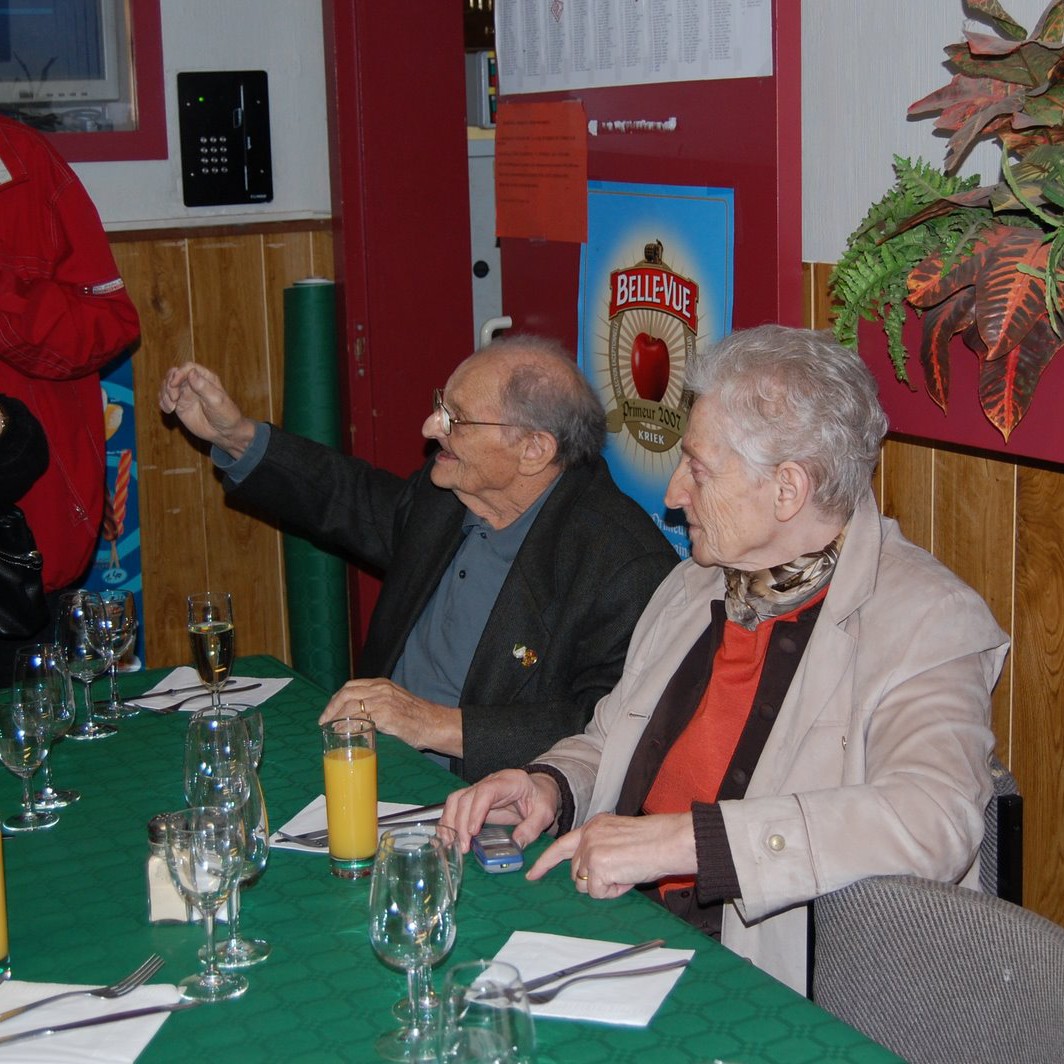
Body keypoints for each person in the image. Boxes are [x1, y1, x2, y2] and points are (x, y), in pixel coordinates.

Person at [443, 325, 1010, 994]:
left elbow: (933, 819)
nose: (674, 493)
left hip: (769, 986)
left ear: (787, 490)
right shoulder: (695, 586)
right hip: (619, 935)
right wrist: (550, 786)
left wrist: (688, 844)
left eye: (700, 468)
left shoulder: (927, 621)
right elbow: (608, 738)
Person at [158, 334, 678, 781]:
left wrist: (433, 723)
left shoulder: (619, 563)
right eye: (440, 406)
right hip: (366, 759)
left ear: (534, 450)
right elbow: (346, 496)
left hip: (482, 799)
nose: (432, 427)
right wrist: (234, 436)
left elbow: (605, 724)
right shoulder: (447, 497)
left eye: (457, 419)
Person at [0, 115, 141, 675]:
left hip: (25, 559)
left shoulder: (25, 162)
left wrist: (8, 307)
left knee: (33, 744)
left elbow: (111, 324)